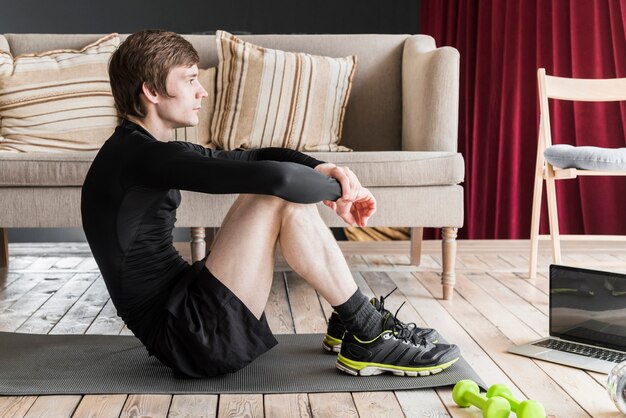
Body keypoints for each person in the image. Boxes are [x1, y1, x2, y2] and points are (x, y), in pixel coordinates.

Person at [81, 29, 460, 378]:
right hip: (189, 337)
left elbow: (255, 157)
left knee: (275, 192)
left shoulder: (136, 149)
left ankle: (353, 321)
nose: (203, 92)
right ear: (151, 91)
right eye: (191, 79)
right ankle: (365, 329)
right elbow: (277, 178)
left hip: (184, 311)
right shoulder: (143, 158)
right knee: (279, 196)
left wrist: (324, 167)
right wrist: (343, 192)